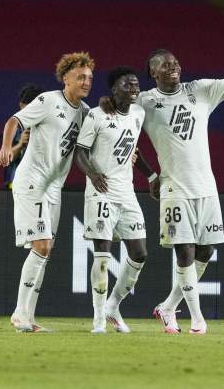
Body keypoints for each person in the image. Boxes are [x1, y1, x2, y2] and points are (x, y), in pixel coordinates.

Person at [141, 45, 224, 334]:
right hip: (174, 188)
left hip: (206, 187)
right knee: (184, 252)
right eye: (165, 64)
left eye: (175, 61)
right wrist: (149, 176)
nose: (173, 66)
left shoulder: (201, 89)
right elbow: (122, 131)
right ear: (153, 72)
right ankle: (197, 319)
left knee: (205, 251)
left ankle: (169, 306)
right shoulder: (145, 102)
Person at [0, 52, 94, 332]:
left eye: (89, 77)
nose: (86, 81)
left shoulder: (86, 112)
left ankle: (27, 318)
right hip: (32, 182)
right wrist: (6, 147)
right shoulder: (48, 101)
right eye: (80, 76)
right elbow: (14, 121)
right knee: (42, 246)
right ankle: (19, 313)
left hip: (54, 188)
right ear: (66, 78)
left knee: (44, 252)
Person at [74, 66, 156, 334]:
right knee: (102, 256)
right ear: (114, 88)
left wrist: (152, 175)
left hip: (127, 193)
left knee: (140, 253)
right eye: (127, 84)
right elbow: (81, 151)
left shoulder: (138, 114)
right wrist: (93, 174)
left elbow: (132, 148)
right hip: (101, 193)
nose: (133, 88)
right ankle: (98, 318)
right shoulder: (96, 116)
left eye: (135, 85)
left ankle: (113, 306)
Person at [0, 83, 44, 188]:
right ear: (21, 105)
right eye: (27, 108)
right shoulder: (11, 131)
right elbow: (5, 160)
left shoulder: (48, 129)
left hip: (41, 185)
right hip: (16, 185)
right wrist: (20, 144)